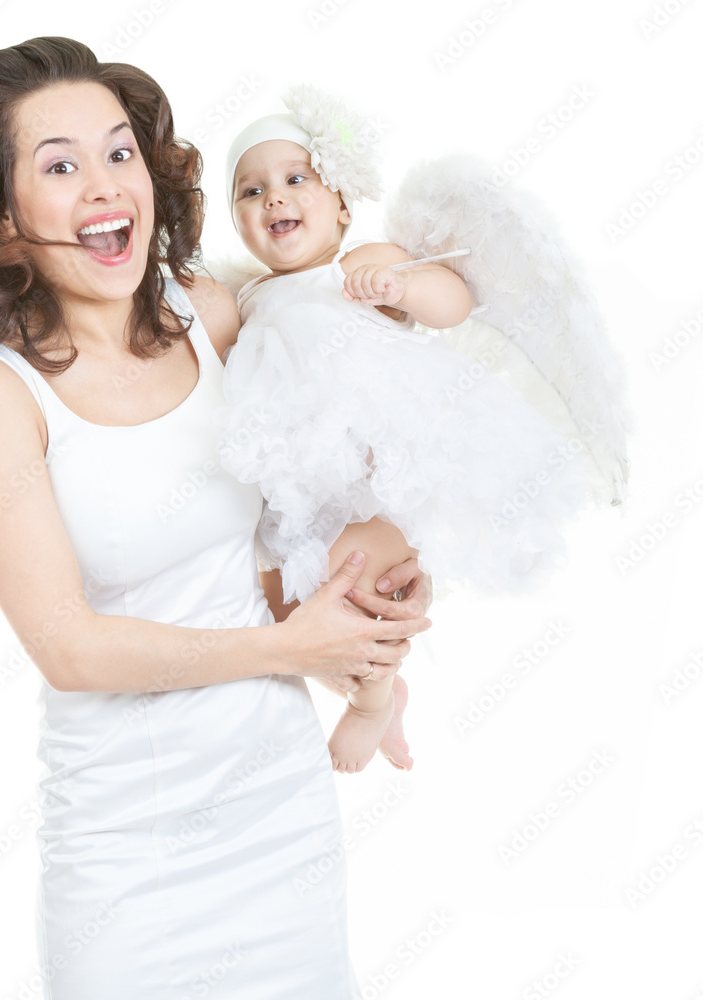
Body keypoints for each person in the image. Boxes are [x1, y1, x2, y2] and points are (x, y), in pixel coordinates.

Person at [0, 37, 432, 999]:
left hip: (279, 810)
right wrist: (288, 649)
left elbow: (275, 546)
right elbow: (69, 647)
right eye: (61, 166)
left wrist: (361, 608)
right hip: (125, 852)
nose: (106, 185)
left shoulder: (213, 317)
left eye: (119, 152)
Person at [220, 99, 594, 775]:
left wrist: (400, 286)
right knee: (277, 610)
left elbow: (453, 304)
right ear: (238, 222)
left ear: (341, 204)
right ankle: (375, 691)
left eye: (296, 179)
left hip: (383, 480)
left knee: (357, 586)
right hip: (301, 492)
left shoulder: (359, 264)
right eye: (250, 191)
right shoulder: (248, 300)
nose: (274, 196)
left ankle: (372, 702)